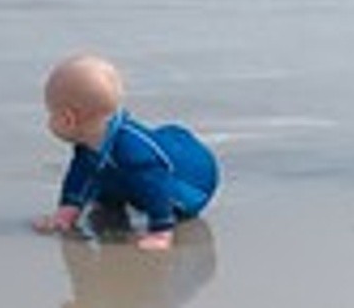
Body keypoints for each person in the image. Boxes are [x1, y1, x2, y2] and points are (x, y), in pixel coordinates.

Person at [34, 54, 219, 251]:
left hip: (190, 183)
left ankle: (163, 222)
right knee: (98, 173)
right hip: (135, 173)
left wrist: (161, 230)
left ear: (68, 119)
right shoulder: (89, 142)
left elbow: (156, 187)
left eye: (51, 114)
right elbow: (80, 175)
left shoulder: (132, 150)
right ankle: (112, 200)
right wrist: (67, 210)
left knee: (141, 179)